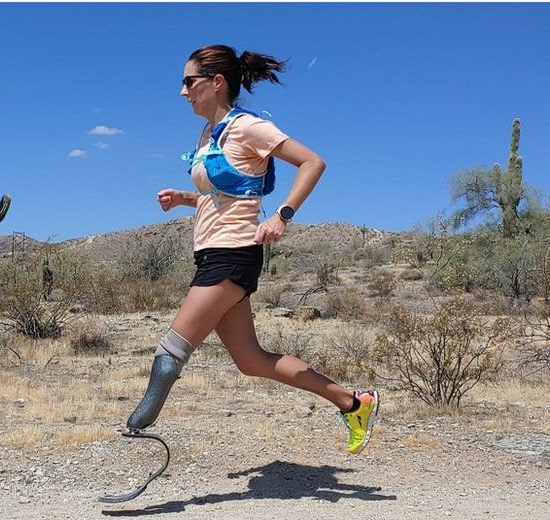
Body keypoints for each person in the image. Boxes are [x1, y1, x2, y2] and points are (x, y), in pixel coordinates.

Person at [125, 45, 379, 455]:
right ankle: (353, 402)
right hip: (210, 252)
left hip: (233, 254)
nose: (182, 91)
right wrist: (185, 198)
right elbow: (232, 192)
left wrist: (282, 214)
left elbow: (313, 162)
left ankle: (136, 425)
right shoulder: (211, 134)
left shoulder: (247, 127)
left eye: (189, 81)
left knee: (172, 349)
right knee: (251, 360)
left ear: (216, 82)